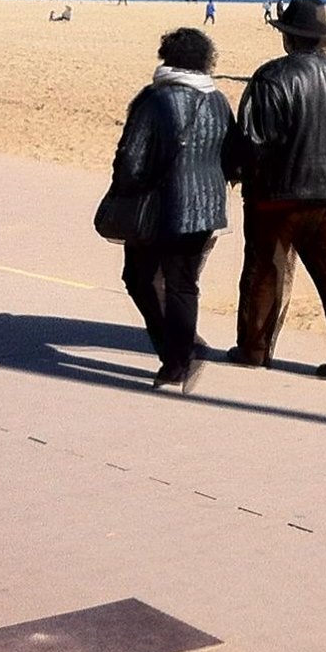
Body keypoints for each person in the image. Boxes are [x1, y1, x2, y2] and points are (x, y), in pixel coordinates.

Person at [223, 0, 326, 382]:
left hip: (277, 198)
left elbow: (255, 139)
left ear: (289, 38)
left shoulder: (271, 77)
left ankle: (255, 349)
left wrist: (244, 177)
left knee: (263, 274)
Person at [112, 28, 234, 390]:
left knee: (139, 279)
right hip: (205, 206)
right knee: (182, 283)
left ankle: (176, 357)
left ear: (166, 56)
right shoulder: (217, 100)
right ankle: (180, 357)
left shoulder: (154, 98)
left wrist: (128, 187)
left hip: (158, 206)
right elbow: (232, 155)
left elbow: (132, 160)